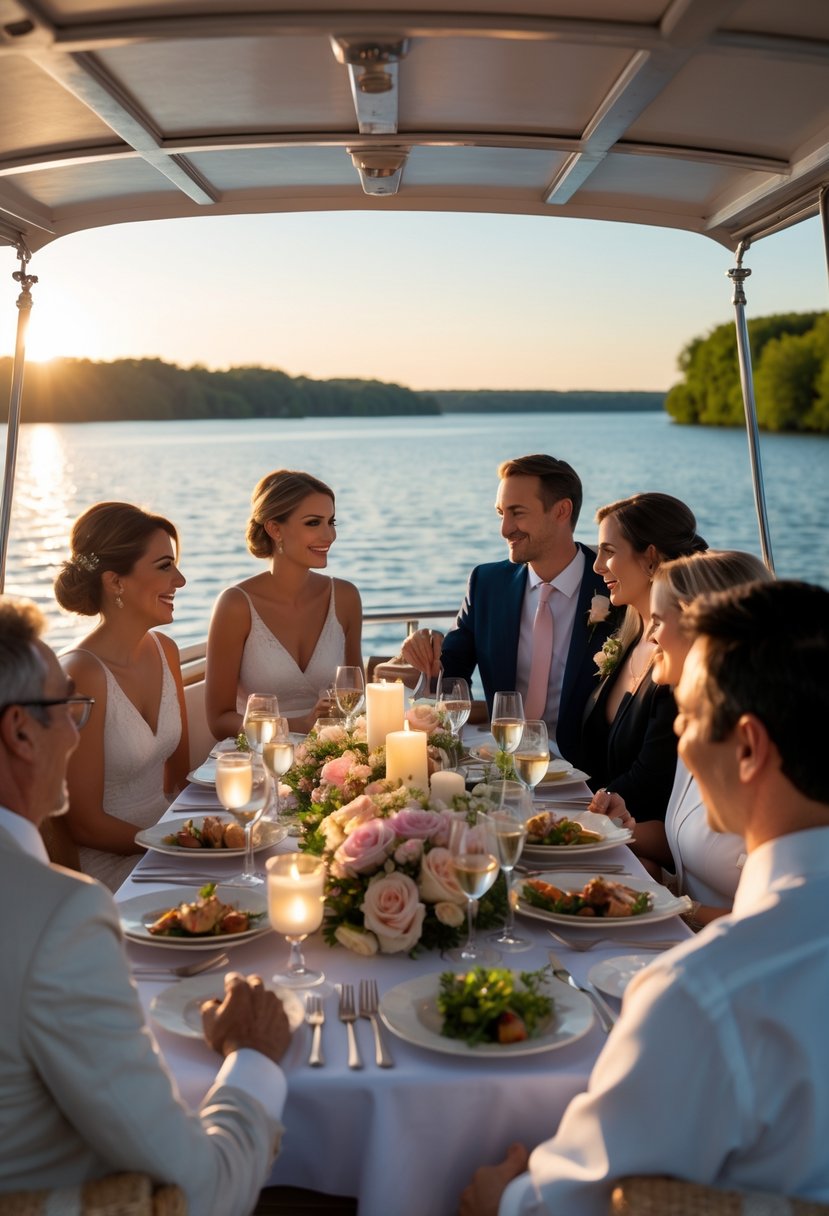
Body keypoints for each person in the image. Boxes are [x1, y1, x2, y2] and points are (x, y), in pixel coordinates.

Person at [460, 579, 829, 1216]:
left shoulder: (711, 993)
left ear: (746, 748)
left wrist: (504, 1198)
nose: (681, 735)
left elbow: (565, 1202)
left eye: (689, 713)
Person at [0, 597, 292, 1215]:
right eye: (68, 711)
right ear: (21, 732)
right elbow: (204, 1190)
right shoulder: (58, 917)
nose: (79, 733)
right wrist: (253, 1059)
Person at [397, 455, 616, 762]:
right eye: (501, 513)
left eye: (517, 513)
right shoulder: (486, 583)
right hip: (500, 758)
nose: (504, 529)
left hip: (588, 772)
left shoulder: (613, 588)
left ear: (561, 511)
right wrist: (428, 643)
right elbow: (451, 669)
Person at [595, 549, 771, 926]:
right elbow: (686, 844)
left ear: (701, 628)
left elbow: (791, 922)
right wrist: (621, 829)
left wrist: (674, 908)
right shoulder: (703, 727)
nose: (652, 637)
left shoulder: (760, 749)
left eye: (658, 621)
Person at [54, 503, 190, 891]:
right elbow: (83, 824)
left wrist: (210, 836)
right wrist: (174, 846)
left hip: (166, 840)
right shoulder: (81, 675)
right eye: (165, 566)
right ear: (116, 582)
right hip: (112, 867)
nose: (179, 580)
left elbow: (180, 780)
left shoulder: (166, 650)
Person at [578, 493, 707, 848]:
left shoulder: (678, 661)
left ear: (650, 559)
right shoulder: (630, 636)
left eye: (608, 551)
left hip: (648, 842)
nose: (597, 565)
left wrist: (576, 819)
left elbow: (650, 780)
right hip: (607, 826)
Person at [206, 469, 363, 739]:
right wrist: (296, 726)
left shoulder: (346, 597)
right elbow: (219, 720)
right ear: (275, 528)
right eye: (313, 523)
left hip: (331, 759)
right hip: (259, 759)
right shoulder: (236, 605)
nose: (329, 536)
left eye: (331, 522)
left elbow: (356, 699)